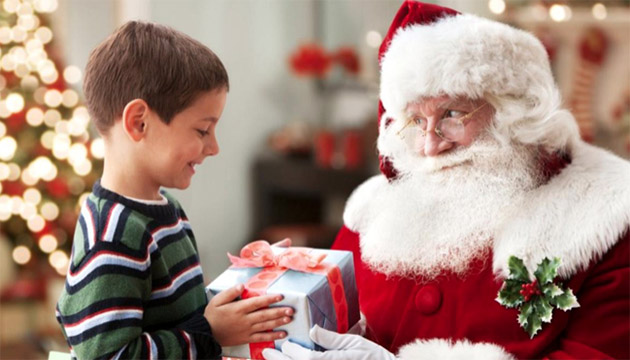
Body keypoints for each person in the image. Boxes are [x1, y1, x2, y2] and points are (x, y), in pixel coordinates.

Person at [262, 1, 629, 359]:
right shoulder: (372, 210)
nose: (430, 144)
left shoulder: (605, 214)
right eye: (416, 120)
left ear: (512, 113)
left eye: (452, 114)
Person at [55, 21, 293, 359]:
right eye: (202, 130)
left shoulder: (166, 209)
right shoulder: (115, 237)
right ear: (139, 122)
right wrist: (209, 333)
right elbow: (108, 355)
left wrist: (249, 278)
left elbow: (180, 312)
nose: (214, 147)